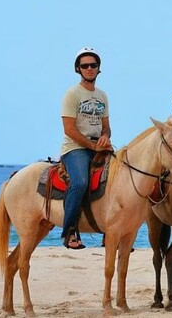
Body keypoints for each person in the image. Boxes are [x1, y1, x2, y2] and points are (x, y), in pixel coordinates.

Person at [59, 47, 113, 249]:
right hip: (75, 148)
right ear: (78, 69)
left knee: (122, 176)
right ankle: (69, 230)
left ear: (99, 69)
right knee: (80, 182)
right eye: (85, 65)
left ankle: (111, 231)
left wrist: (105, 138)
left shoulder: (102, 95)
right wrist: (92, 145)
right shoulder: (72, 94)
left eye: (93, 65)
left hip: (98, 145)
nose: (89, 68)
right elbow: (69, 129)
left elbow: (106, 126)